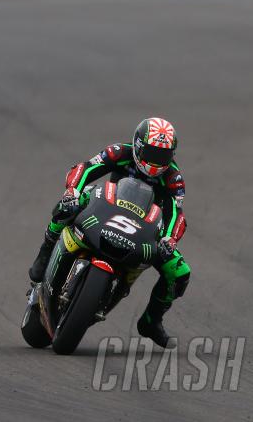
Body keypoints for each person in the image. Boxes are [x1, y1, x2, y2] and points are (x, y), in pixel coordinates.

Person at [28, 117, 189, 348]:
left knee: (180, 272)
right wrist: (72, 192)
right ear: (138, 145)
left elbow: (176, 214)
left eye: (162, 156)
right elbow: (85, 168)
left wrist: (170, 239)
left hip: (145, 228)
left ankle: (151, 321)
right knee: (66, 207)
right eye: (152, 153)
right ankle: (44, 255)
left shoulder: (174, 178)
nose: (156, 162)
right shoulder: (119, 152)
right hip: (104, 207)